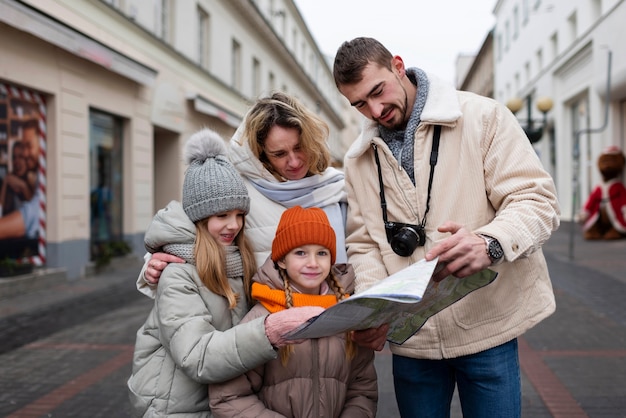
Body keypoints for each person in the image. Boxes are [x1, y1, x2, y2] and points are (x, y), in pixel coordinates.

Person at [332, 37, 560, 418]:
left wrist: (491, 243)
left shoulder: (483, 117)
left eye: (377, 91)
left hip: (488, 327)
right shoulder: (357, 161)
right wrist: (372, 309)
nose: (374, 110)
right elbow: (364, 244)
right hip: (413, 344)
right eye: (359, 104)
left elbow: (536, 201)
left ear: (398, 66)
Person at [127, 129, 323, 417]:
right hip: (175, 404)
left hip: (221, 402)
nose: (234, 225)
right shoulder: (178, 272)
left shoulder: (237, 260)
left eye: (239, 215)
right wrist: (267, 333)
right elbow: (196, 355)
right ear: (200, 217)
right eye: (222, 216)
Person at [138, 92, 348, 295]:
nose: (293, 161)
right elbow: (187, 227)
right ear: (261, 154)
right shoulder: (238, 187)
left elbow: (359, 248)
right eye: (279, 154)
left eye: (299, 147)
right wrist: (153, 263)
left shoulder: (336, 186)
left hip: (335, 311)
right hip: (263, 317)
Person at [209, 206, 377, 418]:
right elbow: (228, 397)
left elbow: (363, 390)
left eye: (322, 253)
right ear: (281, 260)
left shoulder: (346, 315)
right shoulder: (263, 319)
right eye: (300, 253)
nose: (313, 263)